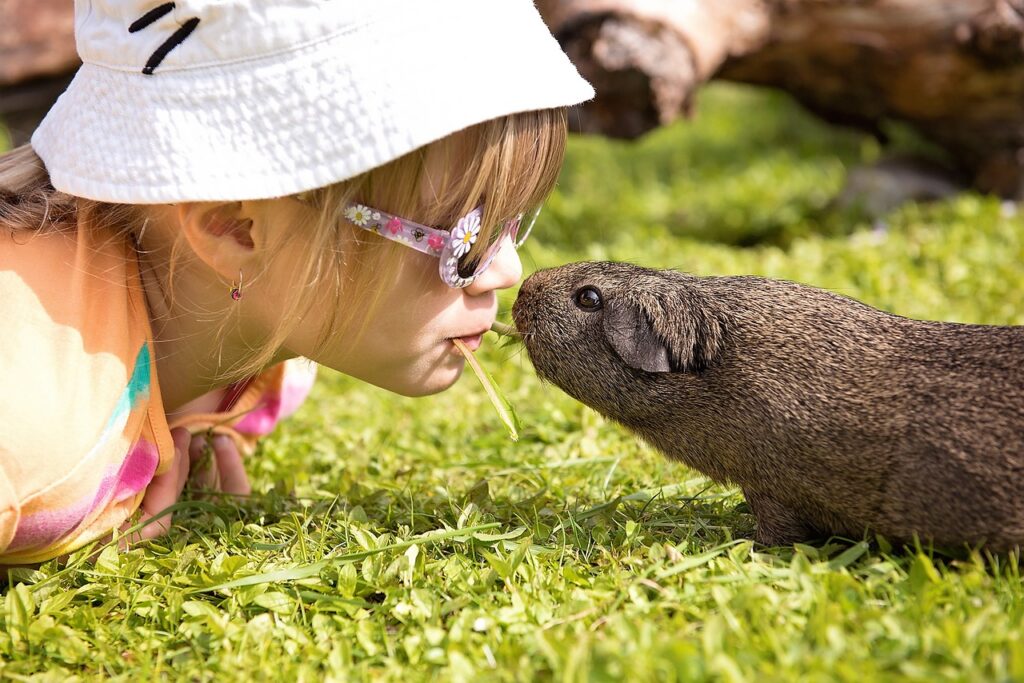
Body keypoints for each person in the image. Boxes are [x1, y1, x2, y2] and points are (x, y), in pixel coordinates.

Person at [0, 0, 593, 565]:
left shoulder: (267, 352)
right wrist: (79, 500)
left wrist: (172, 424)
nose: (507, 270)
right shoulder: (34, 425)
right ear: (235, 228)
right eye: (464, 240)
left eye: (512, 219)